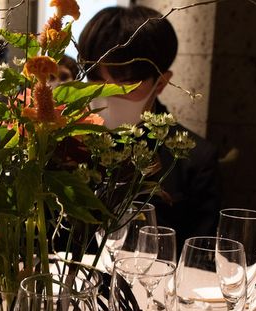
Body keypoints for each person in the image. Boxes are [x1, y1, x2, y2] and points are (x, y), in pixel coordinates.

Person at [78, 5, 222, 250]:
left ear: (161, 83)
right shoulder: (66, 144)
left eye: (126, 85)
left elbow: (199, 259)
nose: (107, 94)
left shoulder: (194, 160)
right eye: (95, 80)